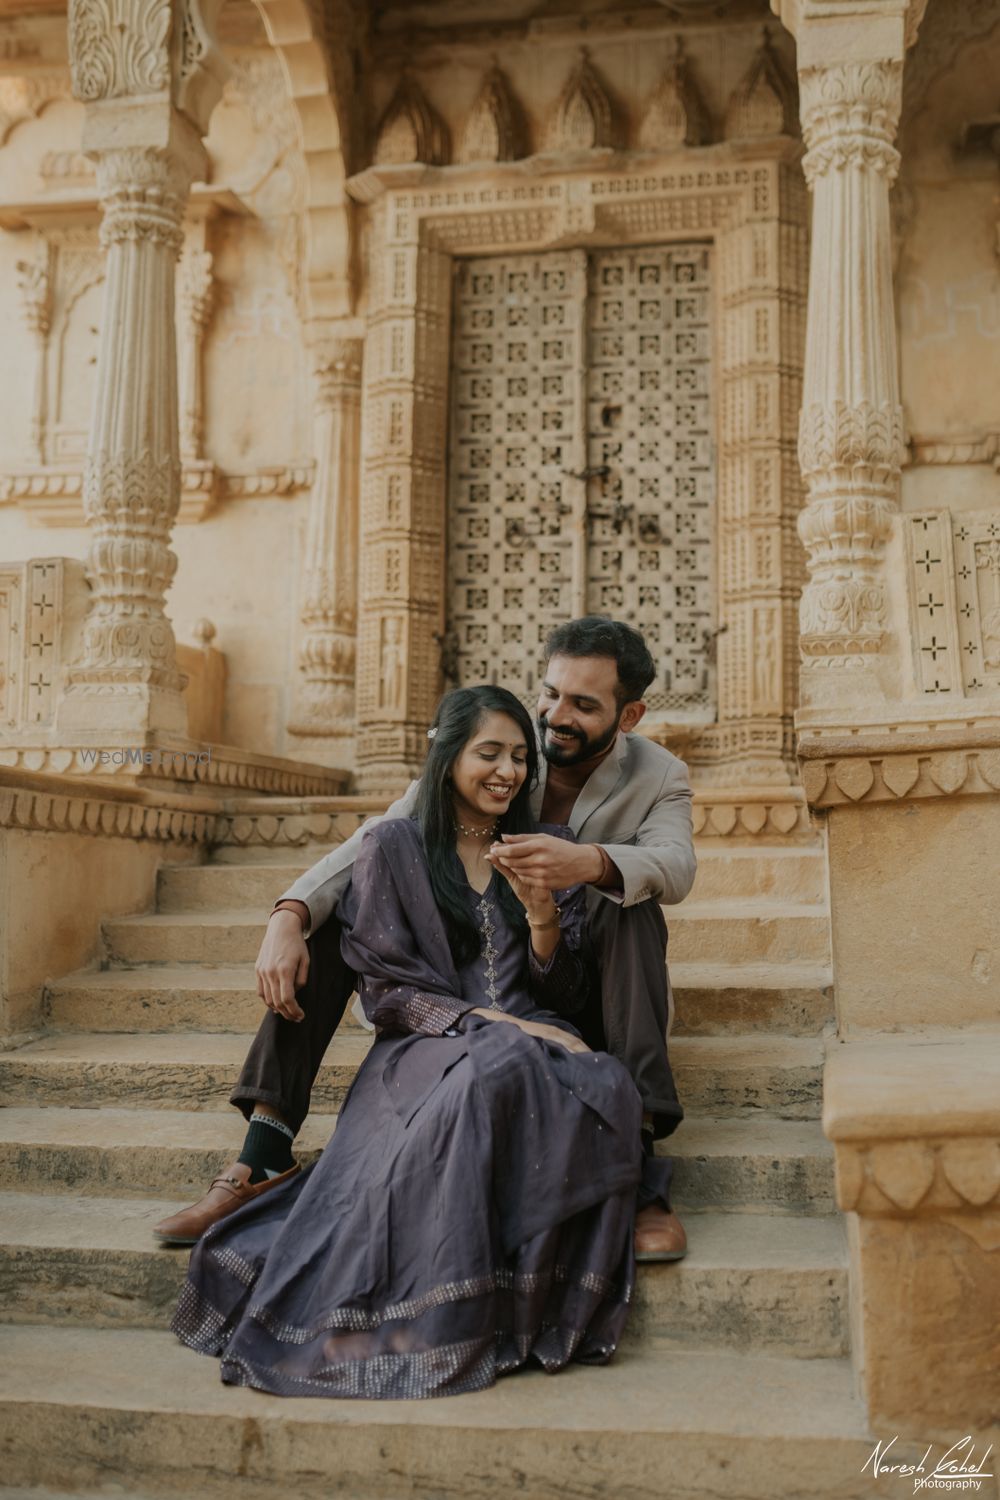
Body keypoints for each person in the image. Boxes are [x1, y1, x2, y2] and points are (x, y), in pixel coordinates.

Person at [154, 617, 696, 1259]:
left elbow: (676, 865)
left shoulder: (659, 775)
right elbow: (374, 841)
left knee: (630, 902)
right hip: (465, 979)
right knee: (331, 923)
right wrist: (290, 912)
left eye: (583, 704)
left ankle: (639, 1154)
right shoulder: (505, 747)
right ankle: (264, 1153)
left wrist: (591, 864)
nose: (554, 716)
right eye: (550, 693)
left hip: (573, 982)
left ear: (628, 714)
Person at [171, 686, 643, 1398]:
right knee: (501, 1063)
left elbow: (566, 997)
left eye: (519, 757)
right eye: (489, 753)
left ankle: (511, 1294)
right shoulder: (394, 846)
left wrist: (544, 919)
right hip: (427, 1044)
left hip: (534, 1035)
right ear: (447, 754)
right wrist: (502, 1024)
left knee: (604, 1081)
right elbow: (390, 992)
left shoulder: (545, 848)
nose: (508, 772)